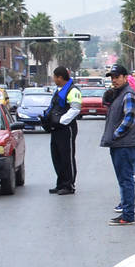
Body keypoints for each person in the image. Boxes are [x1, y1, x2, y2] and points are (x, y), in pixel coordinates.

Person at [99, 64, 135, 226]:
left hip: (123, 144)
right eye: (112, 77)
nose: (114, 80)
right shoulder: (119, 94)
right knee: (123, 180)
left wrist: (115, 135)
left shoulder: (128, 94)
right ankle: (126, 212)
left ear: (125, 77)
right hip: (118, 144)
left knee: (125, 180)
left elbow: (129, 118)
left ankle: (128, 215)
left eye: (117, 77)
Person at [45, 66, 82, 195]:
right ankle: (60, 183)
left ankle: (69, 185)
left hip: (66, 128)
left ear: (60, 77)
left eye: (54, 77)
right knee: (57, 157)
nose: (53, 79)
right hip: (56, 128)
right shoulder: (58, 90)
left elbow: (75, 109)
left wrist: (61, 120)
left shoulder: (73, 90)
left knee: (67, 157)